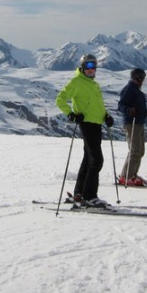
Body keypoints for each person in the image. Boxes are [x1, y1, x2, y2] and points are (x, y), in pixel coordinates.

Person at [55, 54, 114, 207]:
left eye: (94, 66)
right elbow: (60, 99)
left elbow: (97, 105)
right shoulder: (77, 82)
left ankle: (79, 194)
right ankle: (90, 196)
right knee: (97, 160)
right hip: (87, 124)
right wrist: (71, 114)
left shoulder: (94, 84)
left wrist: (106, 116)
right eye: (88, 66)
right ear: (82, 67)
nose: (91, 69)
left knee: (88, 159)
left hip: (96, 124)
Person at [117, 68, 147, 186]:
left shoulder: (136, 90)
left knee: (140, 151)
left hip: (138, 122)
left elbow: (140, 109)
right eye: (141, 78)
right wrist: (129, 110)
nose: (142, 80)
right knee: (135, 150)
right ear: (136, 77)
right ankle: (127, 177)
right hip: (132, 123)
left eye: (143, 78)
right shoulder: (129, 89)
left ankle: (131, 175)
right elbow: (120, 105)